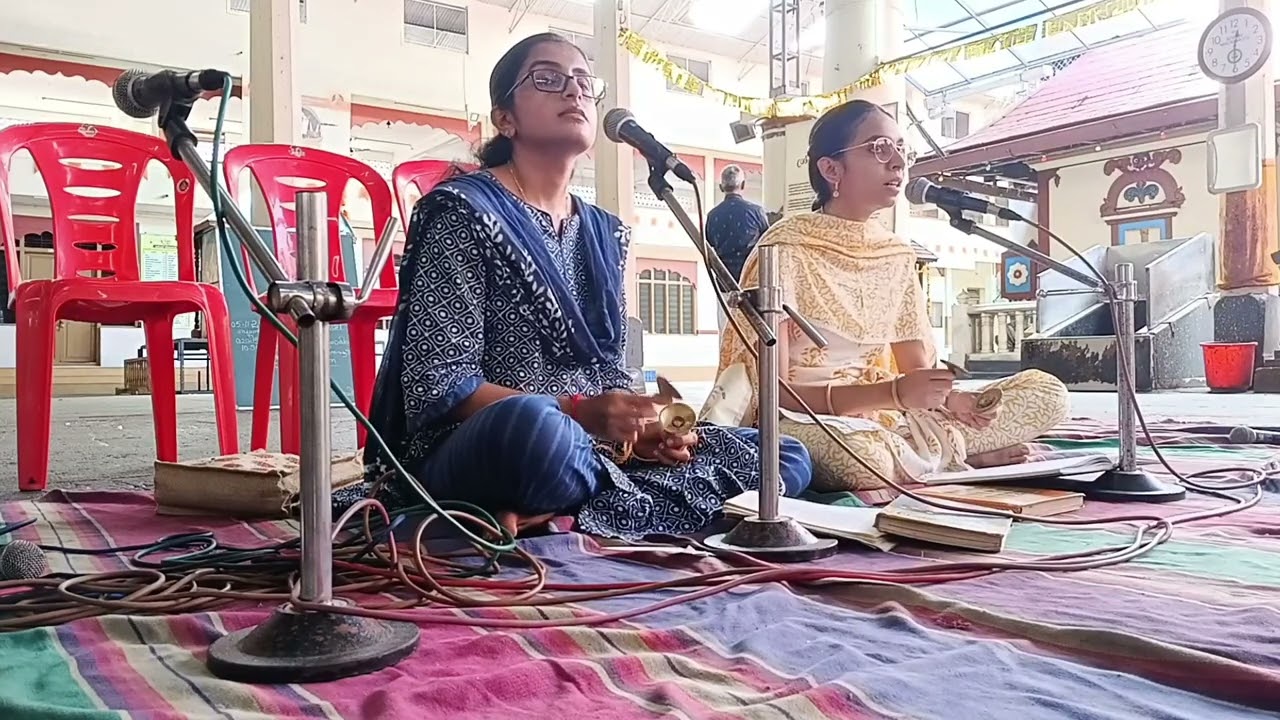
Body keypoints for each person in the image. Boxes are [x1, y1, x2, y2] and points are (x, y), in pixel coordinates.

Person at [341, 33, 813, 538]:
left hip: (591, 448)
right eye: (548, 79)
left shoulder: (604, 232)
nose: (574, 91)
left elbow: (608, 372)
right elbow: (440, 386)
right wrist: (578, 413)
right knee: (535, 432)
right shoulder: (461, 210)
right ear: (506, 118)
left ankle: (565, 505)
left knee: (783, 453)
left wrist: (642, 433)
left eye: (585, 82)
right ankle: (597, 500)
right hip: (488, 440)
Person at [717, 100, 1069, 498]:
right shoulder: (784, 249)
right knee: (868, 458)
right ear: (831, 169)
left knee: (1047, 394)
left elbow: (917, 372)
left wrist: (956, 401)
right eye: (879, 148)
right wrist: (894, 394)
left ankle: (947, 451)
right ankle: (961, 454)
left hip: (892, 417)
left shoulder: (897, 255)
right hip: (808, 419)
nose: (898, 163)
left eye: (903, 150)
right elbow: (773, 395)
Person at [706, 164, 769, 284]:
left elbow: (709, 247)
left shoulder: (712, 216)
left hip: (724, 283)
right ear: (743, 185)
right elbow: (767, 240)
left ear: (721, 187)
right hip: (751, 281)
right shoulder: (756, 212)